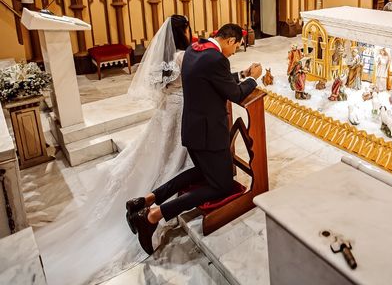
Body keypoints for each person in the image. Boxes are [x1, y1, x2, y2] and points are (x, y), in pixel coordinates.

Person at [36, 15, 193, 285]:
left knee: (156, 150)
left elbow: (159, 85)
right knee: (173, 153)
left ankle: (142, 198)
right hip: (179, 113)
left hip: (166, 110)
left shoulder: (162, 61)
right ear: (183, 32)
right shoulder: (182, 58)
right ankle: (153, 206)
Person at [127, 23, 262, 255]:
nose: (235, 51)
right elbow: (235, 93)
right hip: (209, 136)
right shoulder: (217, 60)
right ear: (230, 41)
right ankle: (152, 216)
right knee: (223, 184)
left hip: (193, 131)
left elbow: (211, 79)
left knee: (201, 172)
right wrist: (253, 80)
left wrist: (242, 74)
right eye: (237, 46)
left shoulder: (194, 50)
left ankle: (145, 200)